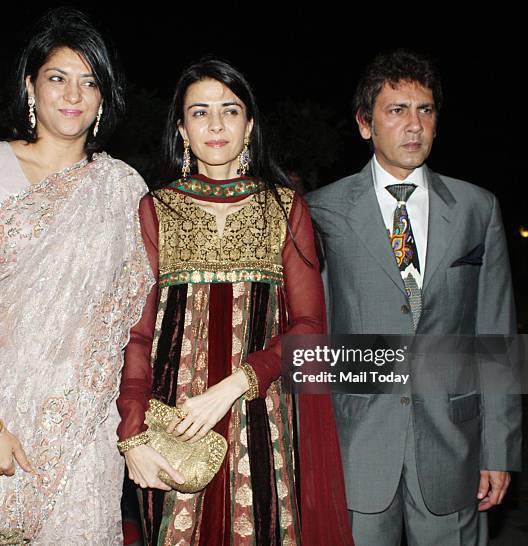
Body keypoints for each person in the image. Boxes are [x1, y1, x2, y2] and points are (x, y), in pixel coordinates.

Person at [0, 8, 153, 544]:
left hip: (89, 428)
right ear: (31, 86)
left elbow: (141, 315)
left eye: (89, 81)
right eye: (58, 77)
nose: (73, 94)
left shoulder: (124, 187)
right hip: (3, 415)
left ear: (103, 99)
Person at [116, 58, 353, 545]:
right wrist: (132, 436)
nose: (216, 124)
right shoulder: (155, 208)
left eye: (230, 110)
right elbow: (136, 335)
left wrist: (233, 386)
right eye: (200, 113)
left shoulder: (285, 208)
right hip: (174, 429)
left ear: (250, 126)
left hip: (262, 421)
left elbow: (310, 326)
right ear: (182, 129)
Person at [306, 49, 521, 545]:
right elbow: (311, 334)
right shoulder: (321, 212)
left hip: (453, 443)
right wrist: (310, 450)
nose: (414, 125)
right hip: (356, 447)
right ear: (365, 124)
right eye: (396, 110)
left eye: (425, 110)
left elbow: (495, 335)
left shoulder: (476, 209)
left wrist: (498, 450)